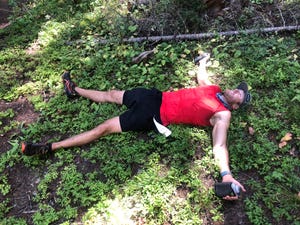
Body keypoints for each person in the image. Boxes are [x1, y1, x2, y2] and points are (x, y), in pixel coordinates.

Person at [21, 53, 251, 200]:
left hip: (153, 115)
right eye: (239, 88)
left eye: (241, 95)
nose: (237, 90)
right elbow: (202, 77)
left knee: (103, 128)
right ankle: (74, 90)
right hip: (153, 96)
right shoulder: (215, 89)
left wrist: (226, 174)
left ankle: (47, 147)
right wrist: (203, 62)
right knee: (111, 94)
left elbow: (219, 144)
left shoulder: (223, 115)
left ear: (236, 106)